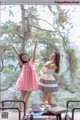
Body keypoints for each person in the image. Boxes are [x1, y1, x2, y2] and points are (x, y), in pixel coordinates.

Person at [9, 40, 38, 111]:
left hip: (30, 84)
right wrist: (13, 47)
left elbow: (34, 53)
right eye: (23, 58)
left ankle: (24, 113)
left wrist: (35, 44)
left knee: (25, 100)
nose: (25, 58)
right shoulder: (23, 64)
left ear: (27, 56)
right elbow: (18, 55)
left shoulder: (32, 62)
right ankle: (23, 112)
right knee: (23, 100)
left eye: (25, 56)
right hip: (23, 83)